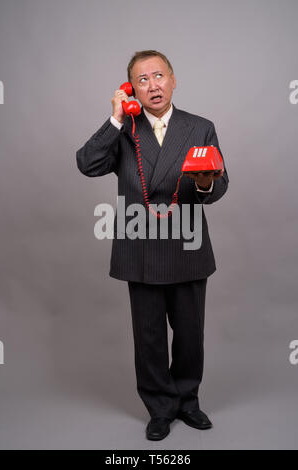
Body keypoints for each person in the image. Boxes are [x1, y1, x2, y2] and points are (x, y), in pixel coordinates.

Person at [76, 50, 229, 441]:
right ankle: (160, 408)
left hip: (187, 244)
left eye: (158, 76)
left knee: (190, 334)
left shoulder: (200, 127)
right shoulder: (124, 128)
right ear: (132, 89)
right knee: (149, 338)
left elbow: (219, 187)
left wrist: (206, 182)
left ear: (174, 80)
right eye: (141, 80)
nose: (152, 85)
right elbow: (88, 163)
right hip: (139, 246)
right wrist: (114, 117)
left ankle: (188, 402)